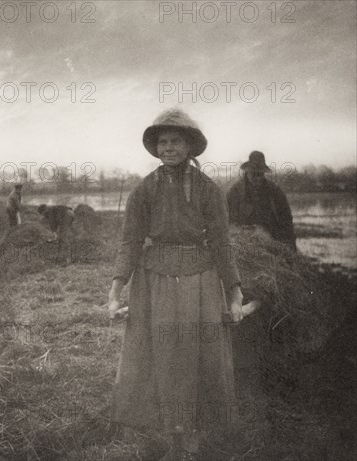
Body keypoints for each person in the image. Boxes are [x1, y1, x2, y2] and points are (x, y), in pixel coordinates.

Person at [108, 109, 244, 460]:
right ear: (156, 148)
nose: (168, 148)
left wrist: (234, 291)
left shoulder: (209, 190)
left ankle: (196, 434)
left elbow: (221, 243)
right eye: (163, 142)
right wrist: (116, 287)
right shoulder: (144, 190)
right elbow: (130, 241)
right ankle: (173, 437)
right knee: (163, 357)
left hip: (200, 280)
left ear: (189, 146)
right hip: (155, 283)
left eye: (176, 141)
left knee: (199, 356)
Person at [227, 151, 297, 251]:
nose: (256, 178)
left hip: (271, 243)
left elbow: (286, 222)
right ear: (247, 172)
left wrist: (291, 248)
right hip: (242, 244)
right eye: (253, 174)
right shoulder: (234, 192)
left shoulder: (275, 192)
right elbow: (226, 220)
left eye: (259, 174)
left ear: (264, 173)